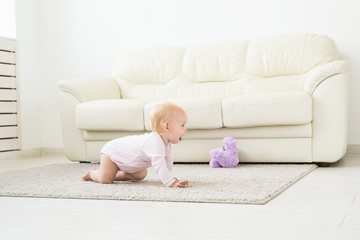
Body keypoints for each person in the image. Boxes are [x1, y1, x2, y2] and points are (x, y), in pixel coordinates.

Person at [82, 102, 189, 188]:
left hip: (128, 162)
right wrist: (170, 183)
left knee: (141, 175)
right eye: (182, 125)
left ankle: (117, 174)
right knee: (105, 179)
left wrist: (169, 177)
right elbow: (160, 165)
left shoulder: (167, 143)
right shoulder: (154, 142)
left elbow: (167, 162)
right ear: (167, 126)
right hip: (112, 154)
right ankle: (92, 173)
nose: (185, 129)